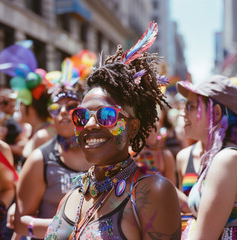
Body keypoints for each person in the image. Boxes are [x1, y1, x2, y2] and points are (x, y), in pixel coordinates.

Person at [45, 22, 181, 240]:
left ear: (133, 126)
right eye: (81, 116)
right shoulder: (74, 194)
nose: (89, 125)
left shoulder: (151, 191)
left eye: (106, 115)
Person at [12, 80, 92, 239]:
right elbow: (20, 223)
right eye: (55, 108)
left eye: (71, 106)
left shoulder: (100, 153)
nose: (63, 111)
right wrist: (70, 227)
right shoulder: (40, 159)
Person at [175, 75, 237, 239]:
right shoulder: (216, 157)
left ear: (216, 113)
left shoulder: (226, 159)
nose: (182, 113)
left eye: (191, 106)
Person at [136, 107, 176, 185]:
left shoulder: (165, 155)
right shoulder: (132, 153)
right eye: (147, 125)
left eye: (154, 125)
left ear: (160, 126)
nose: (151, 129)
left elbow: (172, 188)